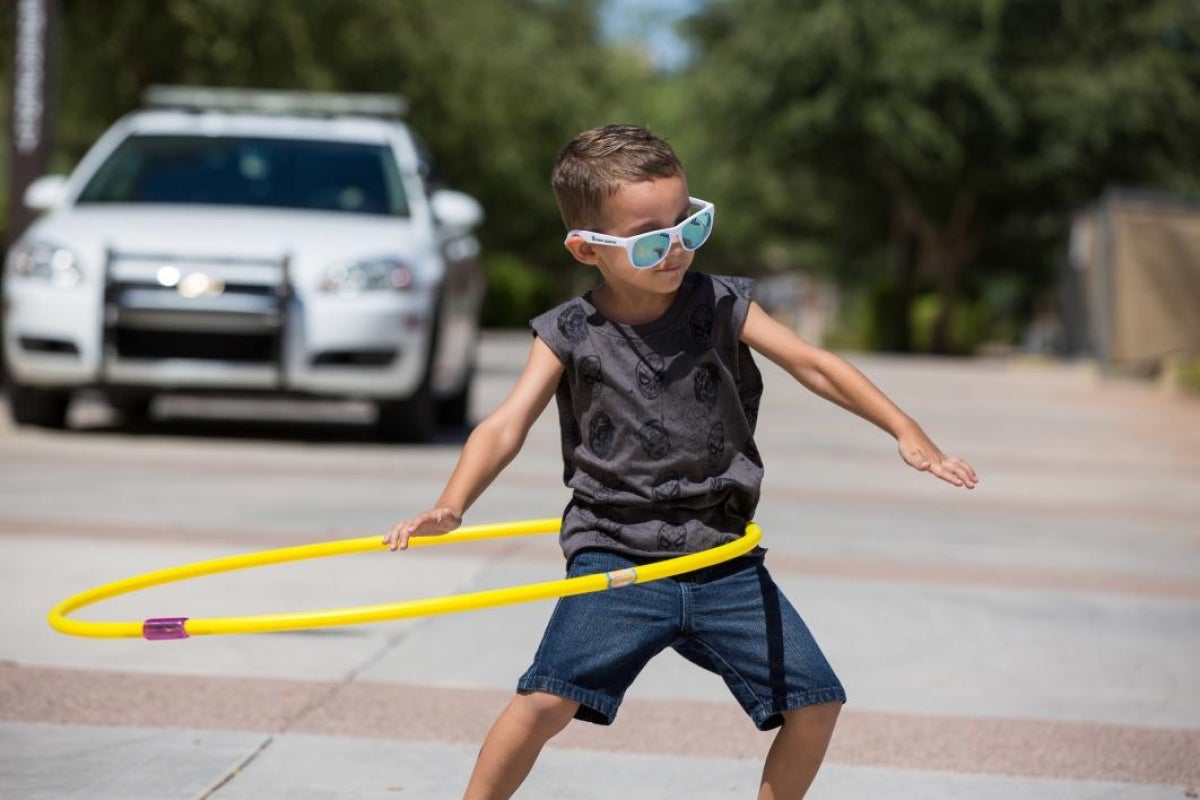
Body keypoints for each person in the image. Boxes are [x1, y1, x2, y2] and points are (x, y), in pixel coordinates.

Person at [385, 123, 978, 799]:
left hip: (721, 555)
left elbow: (813, 364)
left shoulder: (721, 303)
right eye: (650, 238)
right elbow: (503, 426)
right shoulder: (570, 334)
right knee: (546, 701)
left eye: (688, 226)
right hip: (616, 554)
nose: (674, 249)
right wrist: (452, 503)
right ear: (588, 248)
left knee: (816, 704)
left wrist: (906, 429)